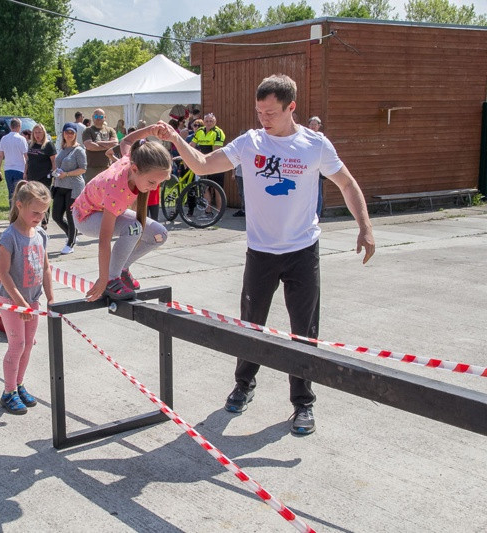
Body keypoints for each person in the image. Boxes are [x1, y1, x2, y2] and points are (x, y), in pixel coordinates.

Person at [155, 74, 376, 435]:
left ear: (292, 107)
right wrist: (176, 138)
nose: (263, 118)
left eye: (271, 112)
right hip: (260, 253)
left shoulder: (314, 145)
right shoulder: (249, 142)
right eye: (259, 111)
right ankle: (244, 384)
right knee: (249, 324)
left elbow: (347, 184)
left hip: (303, 251)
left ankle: (303, 403)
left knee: (303, 332)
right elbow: (202, 165)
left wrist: (364, 227)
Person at [72, 125, 171, 301]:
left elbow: (126, 141)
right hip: (86, 216)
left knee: (159, 234)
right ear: (135, 170)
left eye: (159, 183)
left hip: (104, 209)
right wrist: (103, 280)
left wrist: (150, 130)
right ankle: (112, 279)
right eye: (151, 182)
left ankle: (121, 269)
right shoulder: (117, 190)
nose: (154, 188)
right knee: (133, 228)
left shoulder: (133, 157)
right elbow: (104, 239)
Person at [0, 180, 54, 414]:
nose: (40, 216)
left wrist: (50, 297)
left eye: (43, 212)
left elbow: (46, 267)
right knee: (17, 344)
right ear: (19, 205)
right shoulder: (9, 236)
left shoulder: (40, 234)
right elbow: (3, 273)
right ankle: (8, 392)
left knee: (28, 344)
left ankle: (19, 385)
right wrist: (20, 303)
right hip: (12, 302)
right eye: (36, 212)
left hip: (32, 301)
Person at [51, 123, 86, 255]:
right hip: (60, 185)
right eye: (67, 132)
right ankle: (71, 234)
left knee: (71, 216)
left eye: (72, 132)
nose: (69, 135)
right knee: (56, 216)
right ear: (63, 134)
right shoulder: (62, 148)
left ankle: (70, 243)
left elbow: (83, 169)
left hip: (74, 186)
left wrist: (66, 174)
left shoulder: (79, 150)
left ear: (75, 134)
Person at [190, 113, 226, 212]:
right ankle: (208, 211)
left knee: (217, 189)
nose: (209, 123)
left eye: (211, 121)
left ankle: (219, 212)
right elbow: (192, 145)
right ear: (204, 122)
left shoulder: (218, 132)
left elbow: (215, 151)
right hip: (204, 162)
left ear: (215, 122)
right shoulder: (200, 131)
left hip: (217, 163)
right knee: (204, 188)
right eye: (207, 121)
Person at [25, 123, 56, 229]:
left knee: (43, 199)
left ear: (44, 133)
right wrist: (25, 173)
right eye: (36, 132)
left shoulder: (48, 145)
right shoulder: (31, 144)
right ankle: (32, 219)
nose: (38, 134)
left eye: (40, 132)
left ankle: (44, 222)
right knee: (32, 198)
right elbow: (28, 160)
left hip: (44, 176)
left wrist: (54, 173)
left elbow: (53, 161)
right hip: (32, 176)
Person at [0, 118, 28, 203]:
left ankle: (12, 209)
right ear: (19, 126)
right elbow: (26, 156)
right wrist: (26, 170)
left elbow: (0, 156)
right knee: (19, 192)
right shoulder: (21, 139)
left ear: (10, 126)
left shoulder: (4, 138)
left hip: (8, 168)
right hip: (20, 168)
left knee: (11, 192)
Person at [82, 108, 118, 183]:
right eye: (96, 116)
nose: (98, 118)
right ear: (92, 117)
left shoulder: (110, 130)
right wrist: (107, 145)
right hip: (92, 169)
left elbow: (115, 144)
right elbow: (89, 146)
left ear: (105, 118)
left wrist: (99, 142)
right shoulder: (88, 130)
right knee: (91, 192)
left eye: (101, 117)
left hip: (107, 167)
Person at [308, 116, 325, 217]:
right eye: (311, 124)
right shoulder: (304, 137)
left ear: (319, 126)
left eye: (315, 124)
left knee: (317, 192)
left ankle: (317, 215)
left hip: (317, 168)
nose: (313, 126)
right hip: (306, 169)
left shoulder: (321, 139)